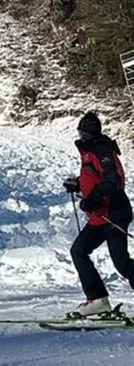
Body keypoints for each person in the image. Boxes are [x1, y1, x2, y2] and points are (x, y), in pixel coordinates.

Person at [65, 111, 134, 318]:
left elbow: (113, 181)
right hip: (100, 215)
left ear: (85, 132)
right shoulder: (90, 150)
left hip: (112, 213)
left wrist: (92, 197)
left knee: (121, 263)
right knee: (79, 250)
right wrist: (77, 184)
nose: (80, 135)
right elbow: (95, 177)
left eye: (82, 131)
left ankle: (97, 299)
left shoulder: (101, 149)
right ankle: (97, 300)